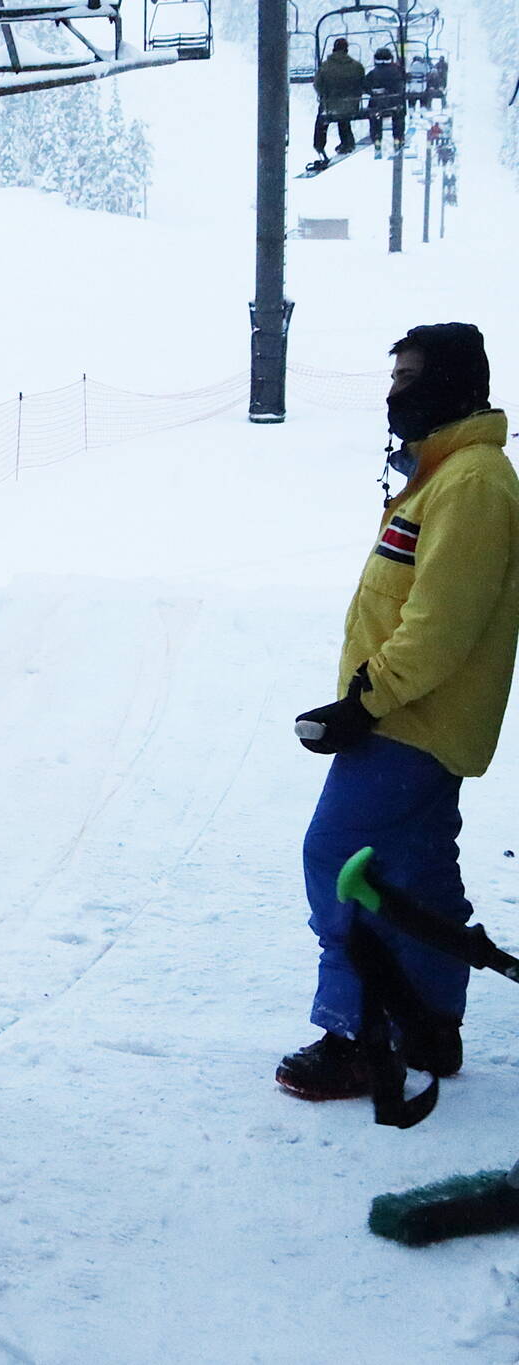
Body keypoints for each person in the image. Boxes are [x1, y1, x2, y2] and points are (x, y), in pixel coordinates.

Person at [278, 324, 519, 1102]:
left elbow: (439, 625)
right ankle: (431, 1023)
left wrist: (364, 702)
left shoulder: (474, 484)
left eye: (409, 377)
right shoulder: (444, 475)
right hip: (411, 718)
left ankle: (357, 1032)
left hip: (411, 720)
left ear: (452, 385)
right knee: (414, 871)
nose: (394, 393)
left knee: (339, 855)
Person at [313, 38, 365, 162]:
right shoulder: (357, 66)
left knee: (322, 121)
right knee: (344, 118)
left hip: (330, 105)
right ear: (346, 50)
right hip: (351, 105)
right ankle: (347, 142)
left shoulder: (325, 67)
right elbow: (362, 84)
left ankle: (319, 146)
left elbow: (317, 85)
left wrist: (324, 95)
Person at [364, 47, 408, 156]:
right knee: (399, 114)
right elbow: (401, 86)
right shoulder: (397, 71)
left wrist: (374, 92)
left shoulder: (372, 73)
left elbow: (365, 86)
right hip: (394, 102)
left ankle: (377, 138)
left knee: (374, 115)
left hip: (377, 104)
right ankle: (398, 138)